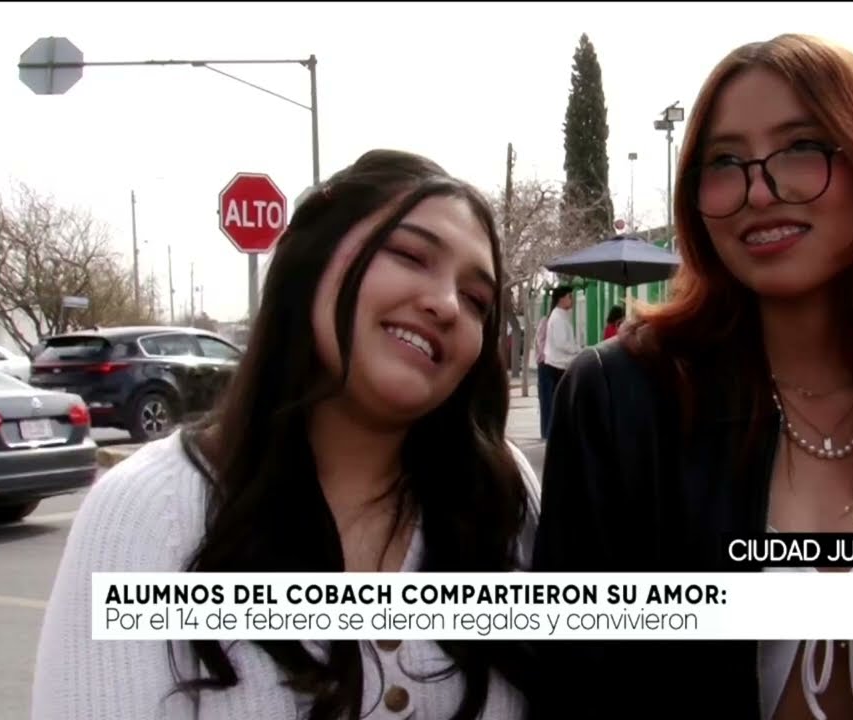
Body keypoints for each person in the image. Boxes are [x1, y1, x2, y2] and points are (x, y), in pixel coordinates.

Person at [529, 35, 853, 720]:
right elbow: (573, 684)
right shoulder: (622, 398)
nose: (759, 190)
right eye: (724, 162)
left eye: (801, 147)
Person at [32, 149, 541, 720]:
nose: (446, 304)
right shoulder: (148, 509)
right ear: (312, 259)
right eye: (409, 255)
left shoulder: (501, 493)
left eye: (476, 300)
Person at [539, 285, 579, 399]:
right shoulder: (557, 318)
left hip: (561, 365)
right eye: (569, 296)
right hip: (557, 366)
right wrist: (578, 350)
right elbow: (562, 343)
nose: (572, 300)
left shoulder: (562, 315)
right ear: (561, 299)